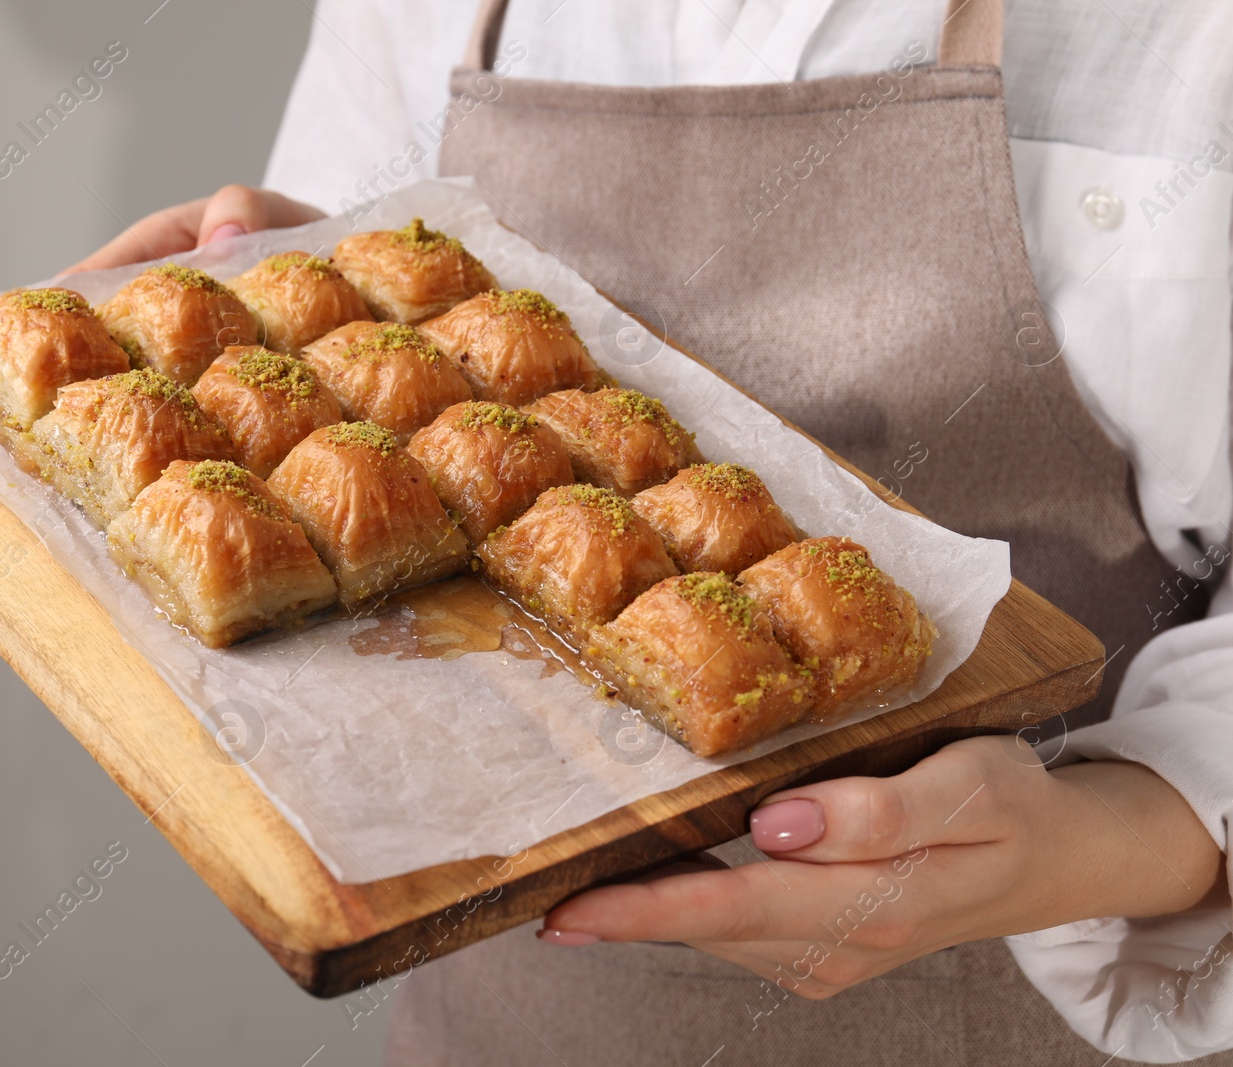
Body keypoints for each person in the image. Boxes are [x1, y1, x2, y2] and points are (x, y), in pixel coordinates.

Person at [69, 1, 1233, 1062]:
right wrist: (311, 287)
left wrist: (1127, 828)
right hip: (500, 1005)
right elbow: (358, 254)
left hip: (1033, 997)